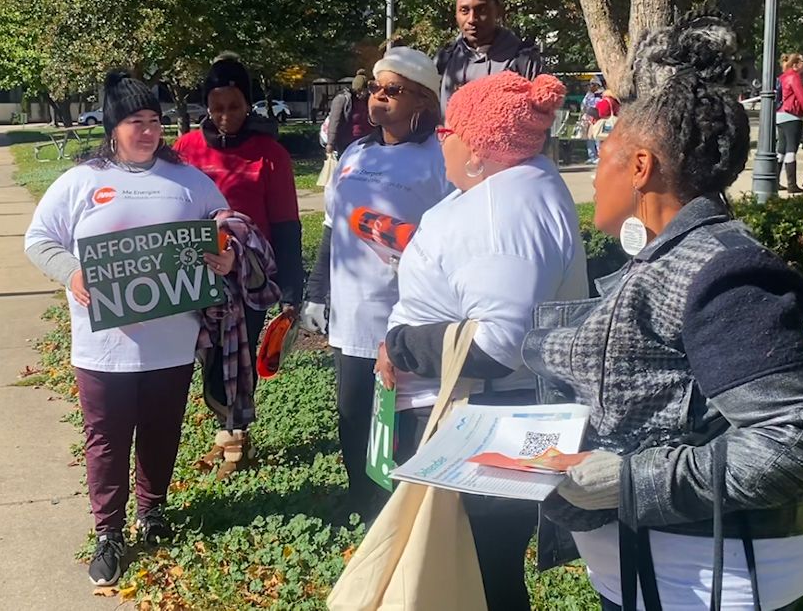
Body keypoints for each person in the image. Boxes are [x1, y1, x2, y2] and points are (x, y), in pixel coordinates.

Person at [524, 12, 803, 610]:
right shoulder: (667, 256)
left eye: (604, 156)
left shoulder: (722, 269)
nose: (595, 173)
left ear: (640, 167)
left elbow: (797, 441)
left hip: (713, 580)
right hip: (654, 574)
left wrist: (627, 480)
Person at [378, 71, 589, 611]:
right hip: (491, 416)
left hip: (475, 421)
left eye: (450, 131)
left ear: (477, 149)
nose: (441, 140)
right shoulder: (523, 185)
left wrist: (401, 345)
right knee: (482, 571)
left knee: (474, 573)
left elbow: (499, 345)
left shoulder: (498, 215)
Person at [24, 72, 235, 587]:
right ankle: (109, 533)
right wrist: (71, 272)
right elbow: (38, 239)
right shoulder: (82, 181)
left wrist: (226, 253)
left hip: (172, 340)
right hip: (104, 346)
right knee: (106, 439)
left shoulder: (186, 180)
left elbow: (224, 220)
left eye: (154, 122)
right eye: (135, 122)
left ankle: (153, 510)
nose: (147, 131)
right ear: (113, 126)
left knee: (162, 432)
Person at [301, 47, 452, 517]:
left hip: (405, 315)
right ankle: (363, 506)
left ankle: (399, 514)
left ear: (422, 102)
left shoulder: (439, 160)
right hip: (350, 317)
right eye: (374, 89)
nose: (377, 98)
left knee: (399, 424)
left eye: (393, 90)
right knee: (353, 416)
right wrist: (316, 294)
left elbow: (450, 240)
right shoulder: (354, 152)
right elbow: (332, 226)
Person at [174, 54, 302, 464]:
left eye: (233, 106)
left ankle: (234, 435)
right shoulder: (185, 149)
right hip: (196, 273)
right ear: (205, 108)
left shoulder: (270, 154)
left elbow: (286, 224)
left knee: (240, 353)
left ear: (247, 104)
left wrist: (290, 287)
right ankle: (221, 424)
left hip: (248, 273)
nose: (225, 116)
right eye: (216, 108)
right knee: (208, 352)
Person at [435, 0, 544, 110]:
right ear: (456, 14)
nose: (472, 19)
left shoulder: (524, 59)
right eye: (464, 10)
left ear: (498, 11)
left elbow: (541, 122)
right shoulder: (445, 58)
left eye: (481, 10)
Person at [776, 52, 803, 193]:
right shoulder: (794, 77)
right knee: (791, 150)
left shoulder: (782, 77)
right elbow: (802, 98)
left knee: (781, 149)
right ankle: (792, 184)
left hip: (780, 115)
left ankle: (775, 180)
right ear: (795, 64)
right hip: (792, 116)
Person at [324, 69, 373, 159]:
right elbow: (334, 122)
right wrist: (330, 143)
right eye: (360, 91)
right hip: (347, 143)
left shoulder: (368, 100)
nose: (362, 94)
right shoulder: (342, 99)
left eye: (365, 91)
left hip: (366, 143)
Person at [580, 79, 605, 164]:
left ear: (597, 85)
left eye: (592, 84)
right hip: (589, 118)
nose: (590, 86)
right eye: (590, 84)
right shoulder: (589, 95)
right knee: (589, 137)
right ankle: (592, 156)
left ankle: (600, 156)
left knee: (598, 137)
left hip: (598, 118)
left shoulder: (602, 95)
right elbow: (583, 105)